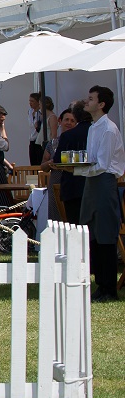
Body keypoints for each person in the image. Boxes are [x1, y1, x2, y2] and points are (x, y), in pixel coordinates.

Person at [75, 86, 125, 302]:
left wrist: (77, 169)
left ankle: (109, 287)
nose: (87, 102)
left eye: (91, 98)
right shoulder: (93, 127)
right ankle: (100, 284)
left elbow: (103, 164)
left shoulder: (108, 129)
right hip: (92, 181)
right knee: (93, 232)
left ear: (101, 104)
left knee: (105, 233)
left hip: (103, 182)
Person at [52, 101, 90, 224]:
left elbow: (58, 160)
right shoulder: (96, 131)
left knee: (75, 226)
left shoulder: (68, 136)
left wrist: (77, 159)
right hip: (92, 184)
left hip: (72, 186)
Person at [28, 93, 44, 165]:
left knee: (39, 161)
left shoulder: (41, 113)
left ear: (38, 102)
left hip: (39, 140)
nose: (30, 103)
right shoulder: (30, 111)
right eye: (30, 101)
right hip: (32, 139)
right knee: (33, 162)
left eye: (32, 101)